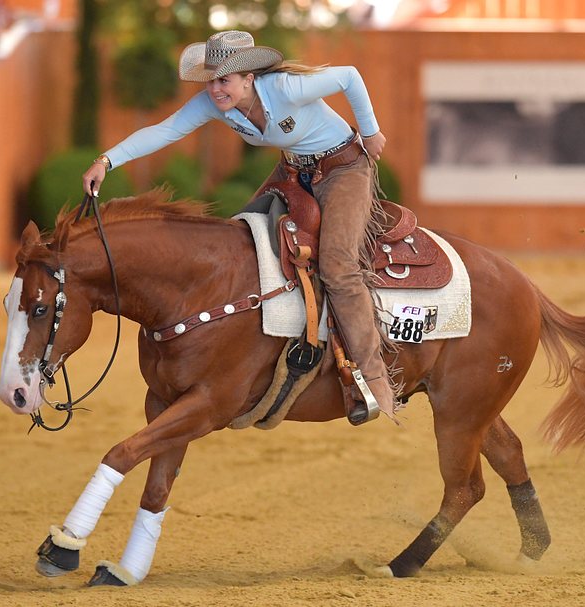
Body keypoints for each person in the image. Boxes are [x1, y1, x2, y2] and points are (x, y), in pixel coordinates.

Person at [82, 30, 396, 422]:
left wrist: (370, 131)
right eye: (211, 80)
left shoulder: (283, 86)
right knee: (240, 244)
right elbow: (165, 130)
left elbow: (348, 75)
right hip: (294, 171)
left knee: (338, 266)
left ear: (249, 78)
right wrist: (106, 161)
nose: (215, 89)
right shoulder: (217, 104)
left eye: (224, 80)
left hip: (344, 169)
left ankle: (373, 377)